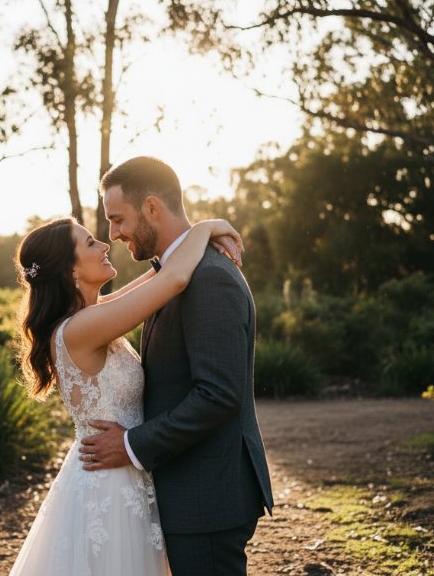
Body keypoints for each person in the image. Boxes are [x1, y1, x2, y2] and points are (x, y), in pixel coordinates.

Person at [8, 214, 244, 576]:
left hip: (126, 470)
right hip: (110, 486)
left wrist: (186, 242)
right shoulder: (82, 328)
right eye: (90, 243)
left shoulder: (93, 316)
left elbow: (159, 273)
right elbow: (174, 279)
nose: (105, 245)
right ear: (70, 269)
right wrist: (206, 228)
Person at [80, 156, 274, 575]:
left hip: (207, 497)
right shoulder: (174, 273)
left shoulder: (209, 277)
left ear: (152, 208)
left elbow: (218, 394)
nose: (113, 234)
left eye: (117, 219)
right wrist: (204, 229)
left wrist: (132, 445)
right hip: (185, 490)